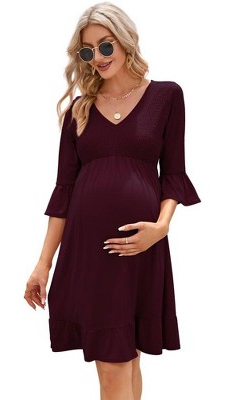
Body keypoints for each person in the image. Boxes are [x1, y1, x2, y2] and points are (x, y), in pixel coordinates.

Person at [24, 2, 201, 399]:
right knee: (114, 363)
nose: (98, 57)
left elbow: (173, 174)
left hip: (140, 248)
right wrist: (42, 264)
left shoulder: (166, 97)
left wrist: (161, 228)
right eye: (87, 51)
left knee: (127, 358)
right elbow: (64, 192)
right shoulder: (79, 111)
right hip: (90, 251)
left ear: (124, 41)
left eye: (105, 46)